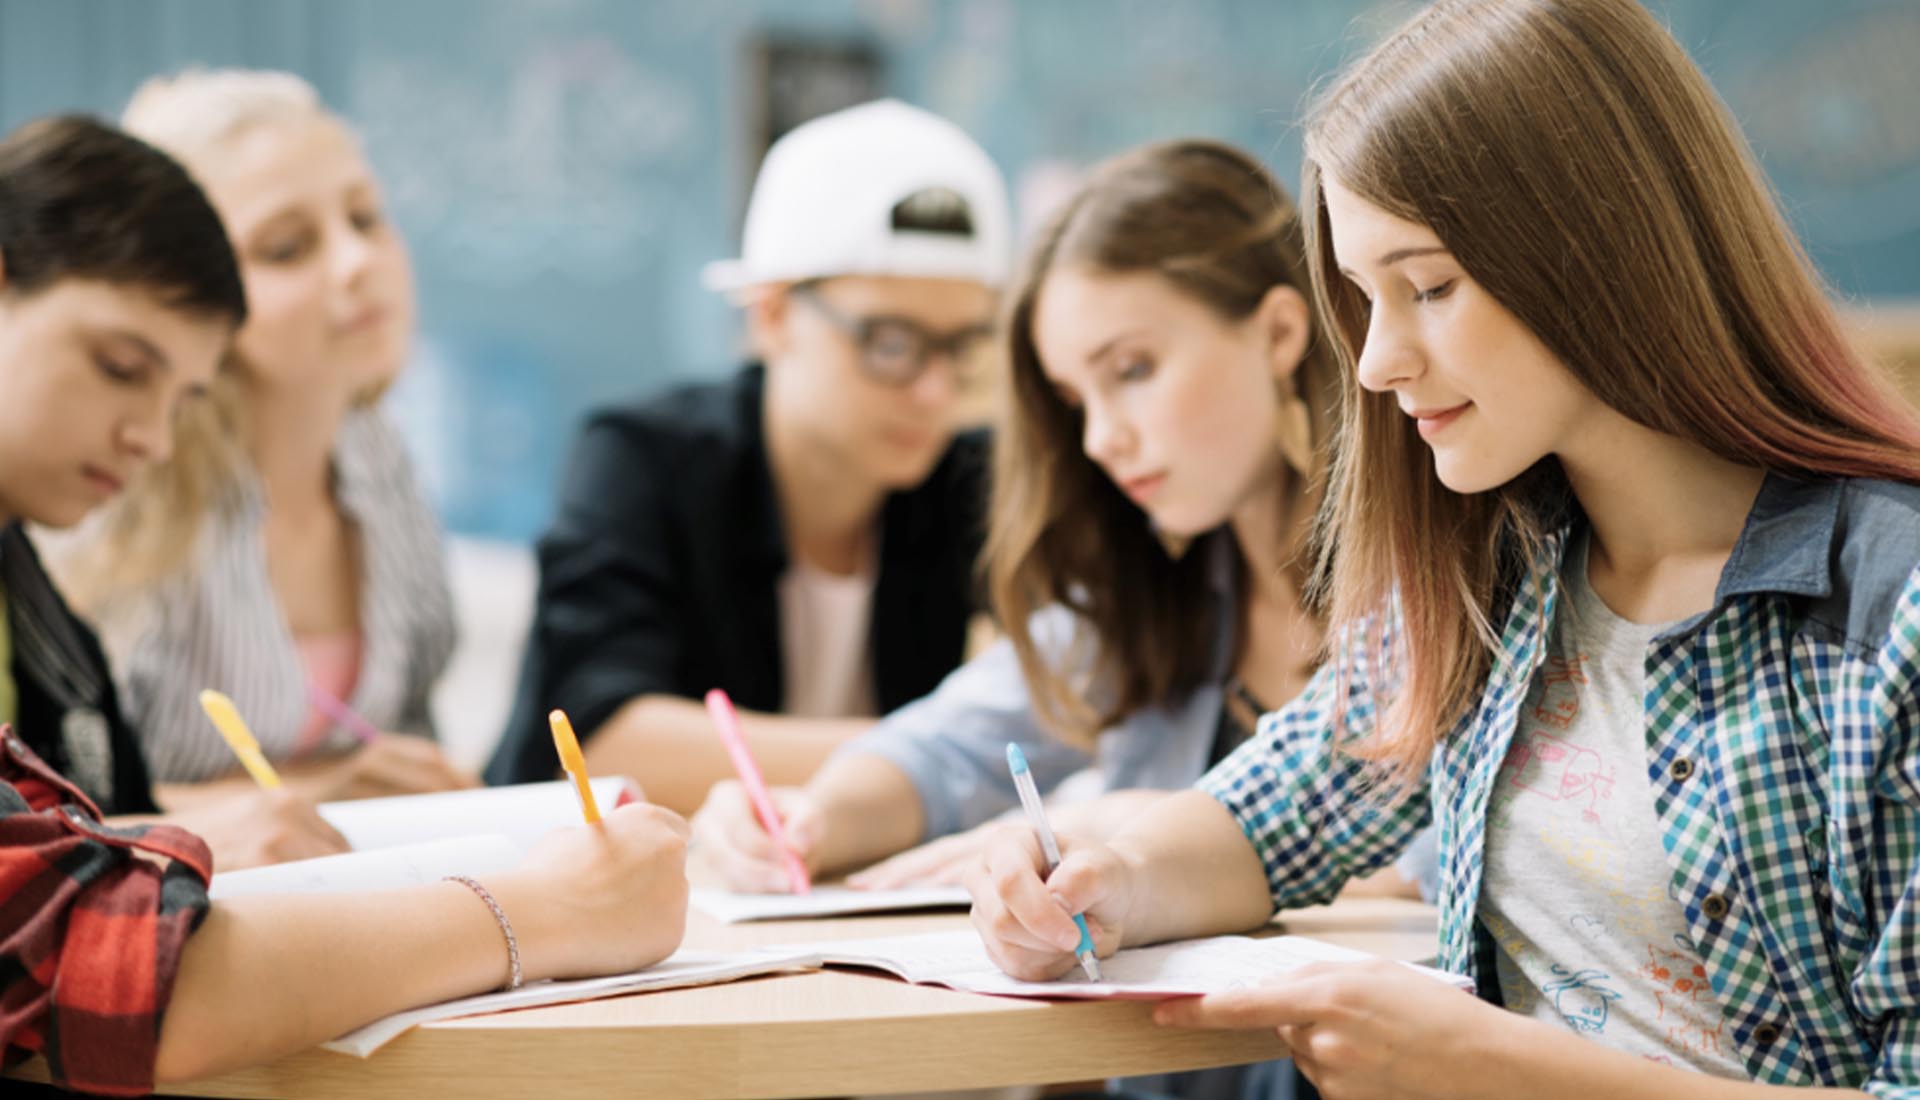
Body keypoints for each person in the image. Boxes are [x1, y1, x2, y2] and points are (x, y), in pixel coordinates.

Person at [968, 1, 1920, 1097]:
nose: (1373, 362)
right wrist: (1105, 876)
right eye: (1365, 300)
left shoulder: (1886, 614)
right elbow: (1271, 815)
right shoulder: (1498, 574)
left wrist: (1487, 1065)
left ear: (1601, 252)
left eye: (1427, 288)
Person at [0, 114, 690, 1097]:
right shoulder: (85, 527)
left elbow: (84, 825)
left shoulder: (375, 468)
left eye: (370, 217)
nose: (149, 435)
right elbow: (107, 959)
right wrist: (547, 909)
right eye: (121, 366)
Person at [693, 140, 1428, 906]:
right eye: (1076, 400)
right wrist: (813, 816)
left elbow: (1462, 858)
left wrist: (1128, 826)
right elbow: (950, 747)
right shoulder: (1147, 593)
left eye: (1133, 370)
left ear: (1279, 332)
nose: (1099, 439)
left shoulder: (1437, 579)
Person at [488, 99, 1009, 815]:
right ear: (770, 315)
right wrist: (942, 753)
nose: (935, 390)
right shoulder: (644, 458)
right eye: (892, 344)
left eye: (966, 347)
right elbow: (602, 743)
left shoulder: (969, 479)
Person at [51, 68, 469, 805]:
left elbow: (409, 730)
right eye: (286, 249)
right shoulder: (110, 491)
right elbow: (52, 807)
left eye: (366, 219)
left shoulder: (377, 454)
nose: (357, 263)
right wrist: (311, 795)